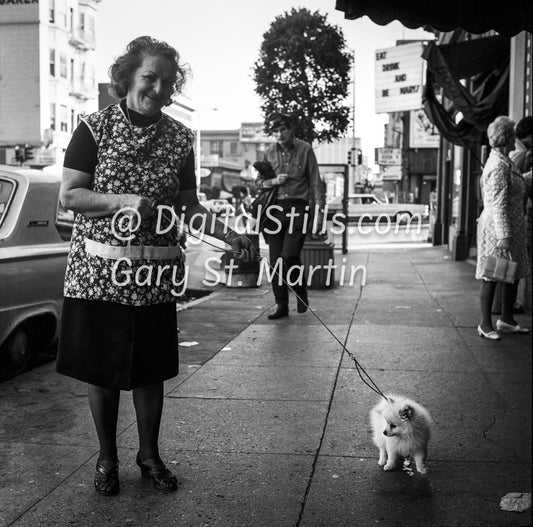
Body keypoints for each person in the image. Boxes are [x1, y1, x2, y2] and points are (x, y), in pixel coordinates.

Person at [55, 36, 257, 496]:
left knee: (150, 371)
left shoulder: (181, 137)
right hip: (98, 276)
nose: (158, 88)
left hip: (154, 278)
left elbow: (190, 206)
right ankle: (108, 459)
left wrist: (231, 235)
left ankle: (150, 455)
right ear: (129, 76)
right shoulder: (93, 129)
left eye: (167, 81)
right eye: (150, 76)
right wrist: (124, 200)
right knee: (102, 371)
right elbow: (70, 196)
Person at [255, 112, 324, 320]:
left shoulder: (305, 149)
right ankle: (281, 304)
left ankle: (300, 291)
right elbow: (258, 183)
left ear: (291, 128)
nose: (279, 134)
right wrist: (274, 181)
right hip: (274, 210)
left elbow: (315, 183)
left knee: (289, 256)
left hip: (298, 208)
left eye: (282, 129)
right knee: (275, 261)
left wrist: (319, 215)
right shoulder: (268, 152)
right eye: (275, 131)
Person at [475, 116, 530, 340]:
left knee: (512, 272)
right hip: (499, 228)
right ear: (508, 138)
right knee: (492, 274)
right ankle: (485, 324)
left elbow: (517, 185)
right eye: (513, 135)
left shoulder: (503, 161)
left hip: (510, 225)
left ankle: (507, 320)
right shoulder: (498, 165)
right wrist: (504, 236)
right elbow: (497, 203)